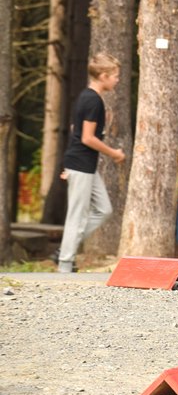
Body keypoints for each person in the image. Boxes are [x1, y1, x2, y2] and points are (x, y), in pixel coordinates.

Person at [56, 52, 126, 273]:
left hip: (84, 165)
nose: (117, 80)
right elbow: (86, 137)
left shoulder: (89, 97)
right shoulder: (92, 100)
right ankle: (65, 265)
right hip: (80, 165)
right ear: (103, 76)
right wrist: (114, 153)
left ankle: (67, 247)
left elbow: (75, 129)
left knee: (104, 209)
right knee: (76, 215)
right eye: (115, 75)